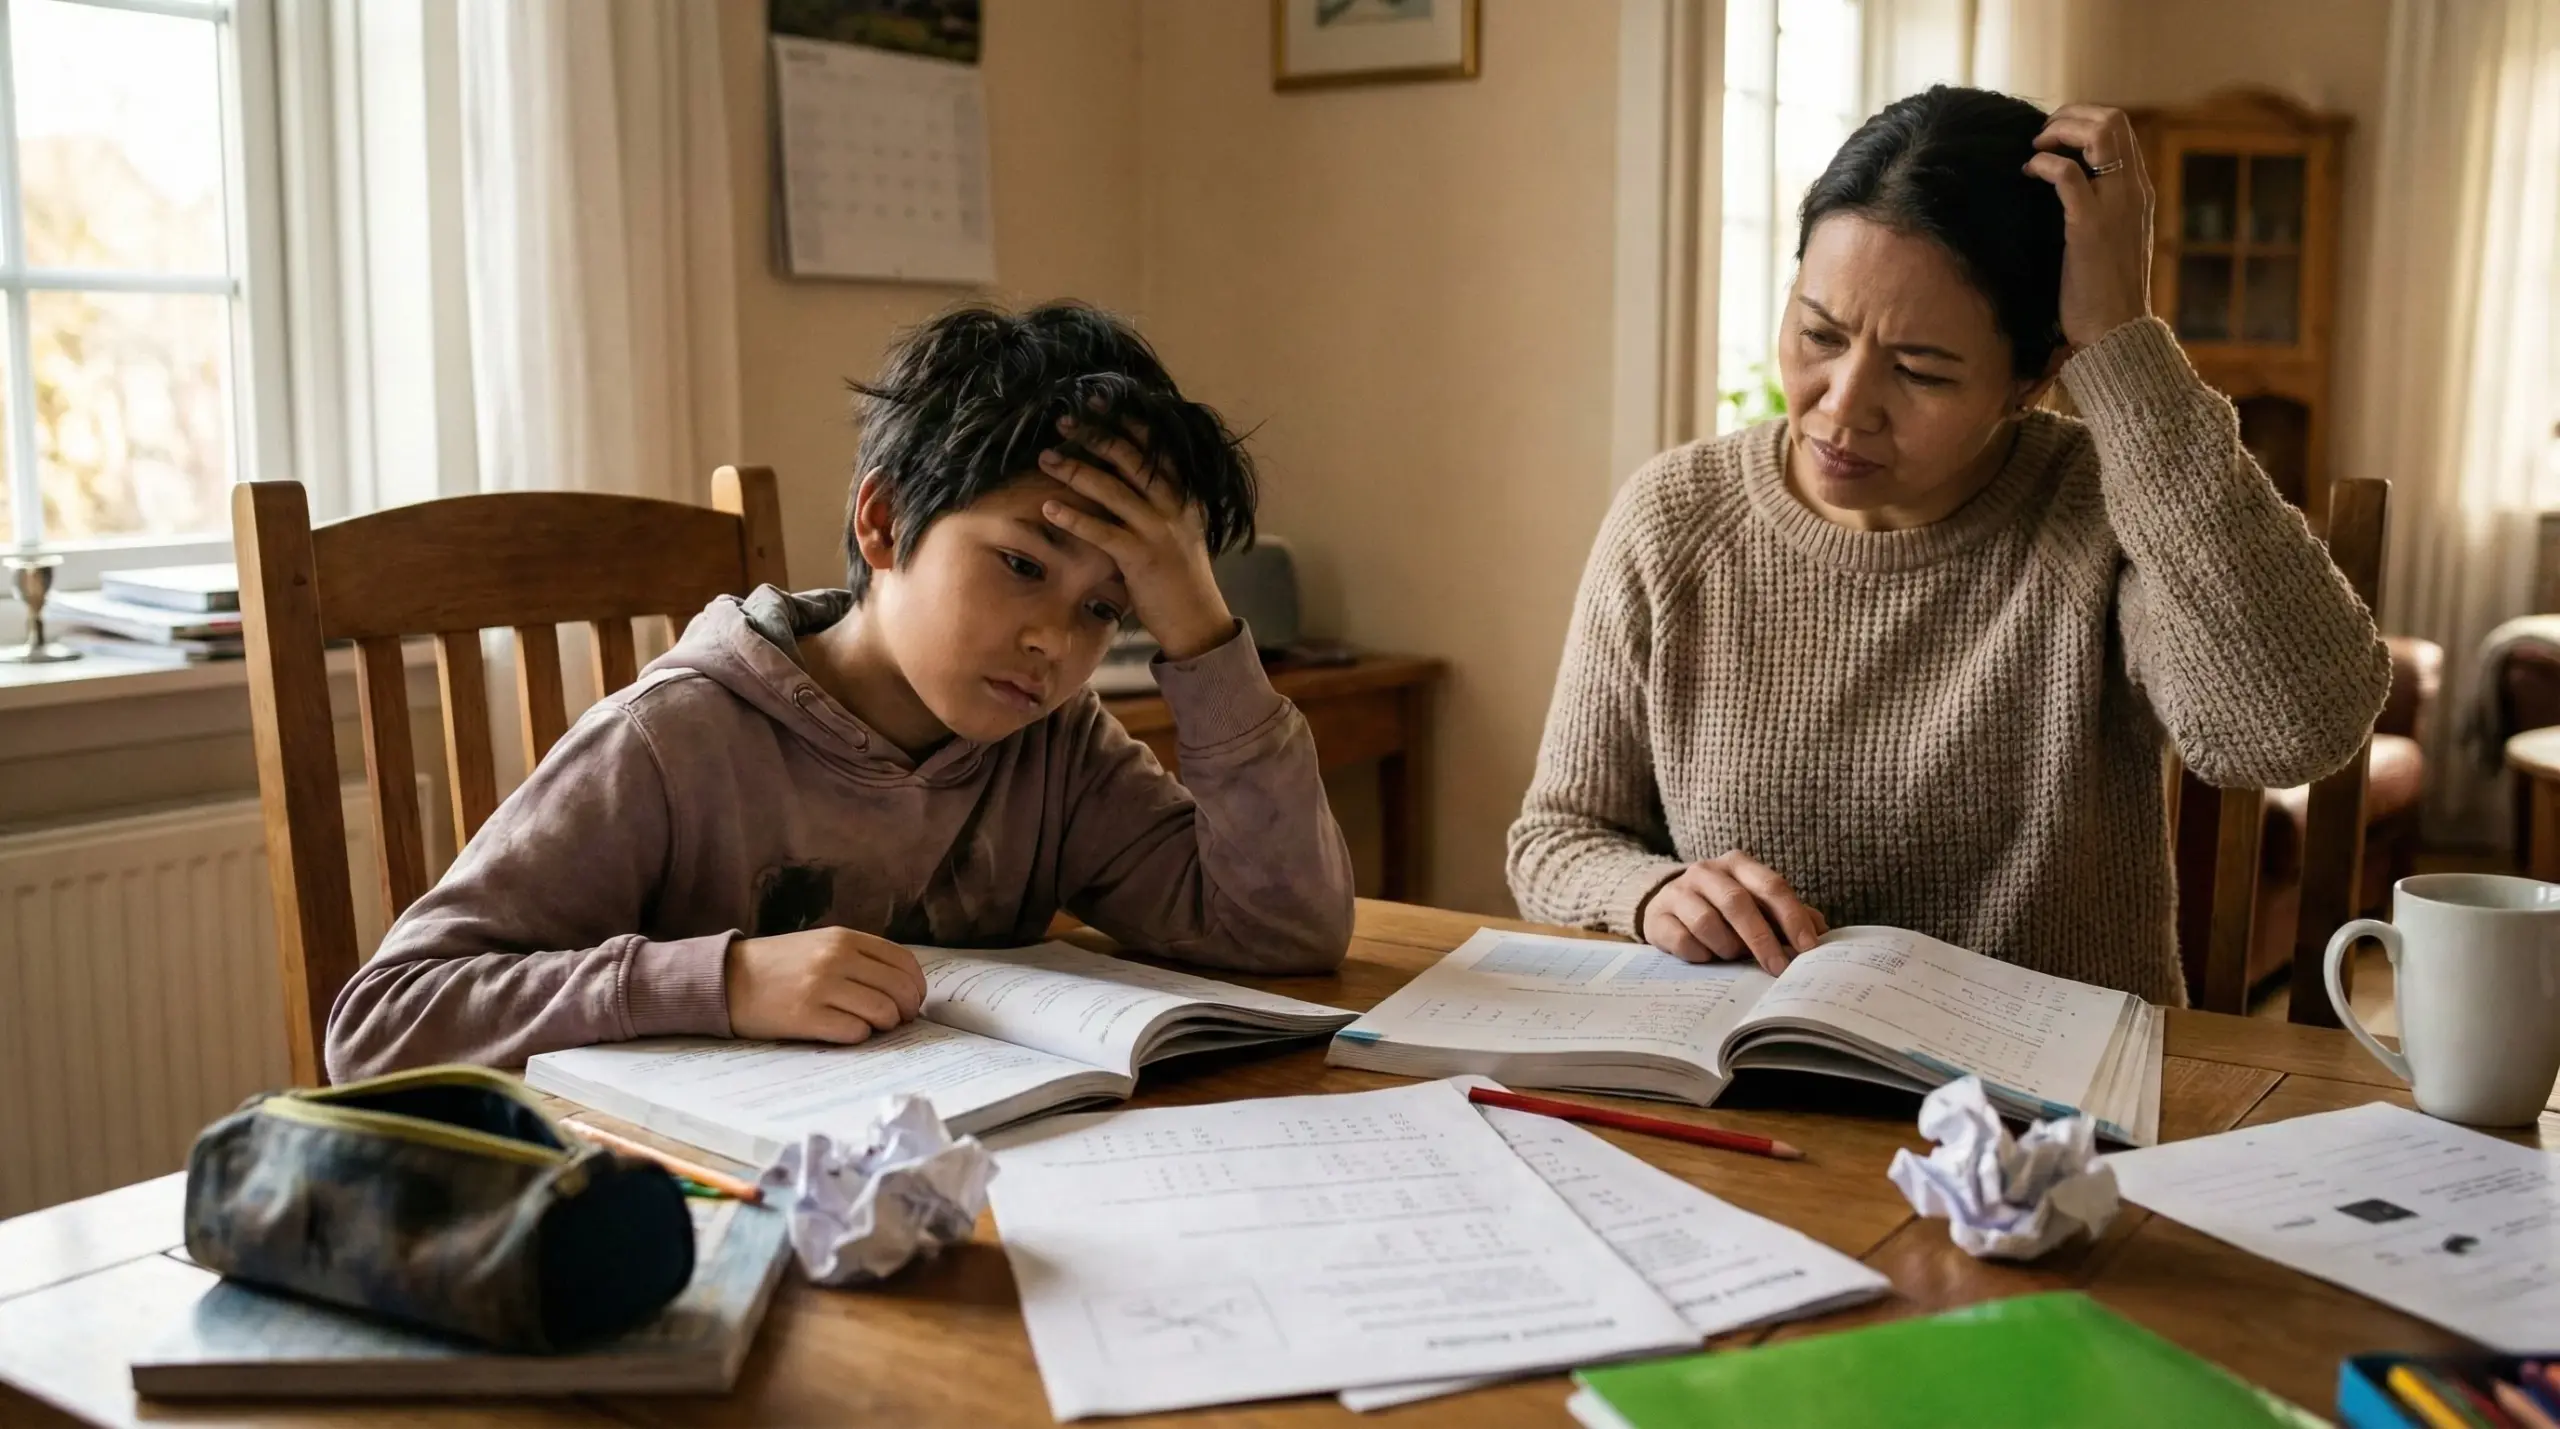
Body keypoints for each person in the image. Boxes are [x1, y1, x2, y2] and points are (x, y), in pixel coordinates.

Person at [1507, 88, 2390, 1005]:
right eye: (1818, 332)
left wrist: (2126, 347)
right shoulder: (1673, 515)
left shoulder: (2105, 507)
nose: (1842, 406)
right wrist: (1650, 893)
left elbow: (2290, 730)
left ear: (2034, 379)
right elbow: (1558, 838)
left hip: (2049, 1118)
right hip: (1761, 1098)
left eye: (1921, 370)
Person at [327, 302, 1355, 1081]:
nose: (1053, 641)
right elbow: (381, 1023)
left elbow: (1283, 932)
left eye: (1107, 608)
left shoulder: (1053, 747)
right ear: (882, 523)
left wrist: (1198, 622)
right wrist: (721, 983)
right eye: (1022, 565)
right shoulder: (674, 740)